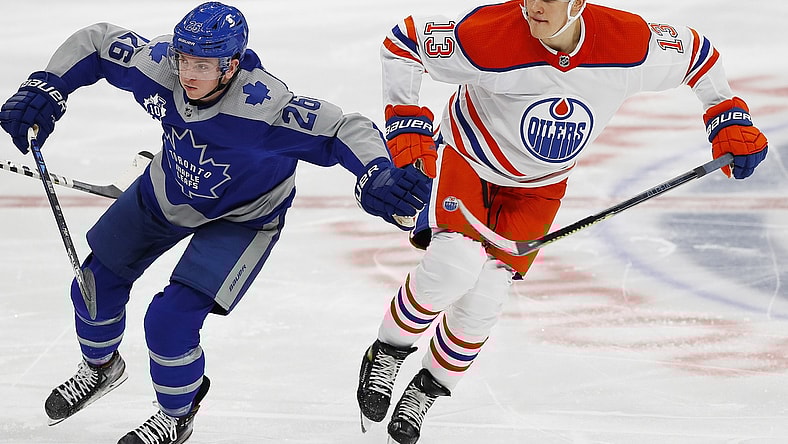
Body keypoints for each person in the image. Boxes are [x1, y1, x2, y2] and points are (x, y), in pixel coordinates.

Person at [0, 2, 430, 444]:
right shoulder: (161, 67)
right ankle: (100, 368)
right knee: (91, 287)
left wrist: (376, 172)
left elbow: (342, 127)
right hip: (167, 190)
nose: (187, 74)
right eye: (184, 59)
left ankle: (176, 414)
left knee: (168, 324)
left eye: (202, 65)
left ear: (232, 65)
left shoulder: (264, 109)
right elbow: (98, 40)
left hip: (243, 219)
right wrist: (46, 85)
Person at [355, 1, 769, 443]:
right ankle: (388, 351)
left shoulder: (624, 42)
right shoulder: (489, 33)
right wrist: (405, 125)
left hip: (540, 185)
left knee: (484, 301)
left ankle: (427, 389)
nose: (534, 6)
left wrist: (728, 116)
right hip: (466, 159)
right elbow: (404, 43)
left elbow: (699, 55)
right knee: (452, 268)